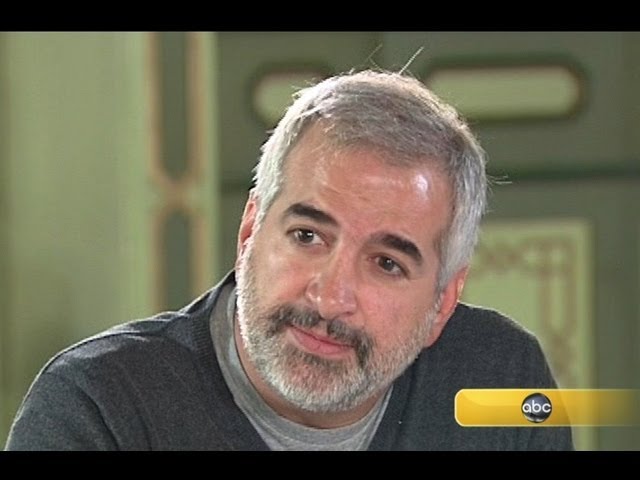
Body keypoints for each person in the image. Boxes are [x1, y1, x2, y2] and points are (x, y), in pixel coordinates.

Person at [4, 69, 573, 451]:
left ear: (443, 303)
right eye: (307, 236)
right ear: (250, 230)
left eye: (386, 264)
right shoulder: (101, 407)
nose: (329, 297)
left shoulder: (502, 381)